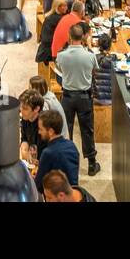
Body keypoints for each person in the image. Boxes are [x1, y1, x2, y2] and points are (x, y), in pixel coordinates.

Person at [54, 24, 101, 176]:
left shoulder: (62, 55)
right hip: (84, 97)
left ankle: (66, 164)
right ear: (83, 37)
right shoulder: (90, 55)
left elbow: (60, 69)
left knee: (66, 131)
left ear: (69, 36)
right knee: (87, 130)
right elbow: (95, 71)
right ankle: (92, 164)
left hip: (67, 96)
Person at [35, 109, 80, 189]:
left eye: (41, 129)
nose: (39, 132)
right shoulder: (72, 145)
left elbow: (38, 185)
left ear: (51, 131)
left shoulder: (48, 153)